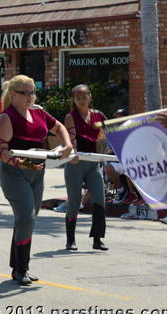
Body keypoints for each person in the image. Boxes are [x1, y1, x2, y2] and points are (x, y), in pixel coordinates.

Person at [0, 75, 72, 285]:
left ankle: (17, 266)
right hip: (15, 173)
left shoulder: (38, 112)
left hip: (38, 173)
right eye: (25, 93)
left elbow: (59, 128)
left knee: (28, 218)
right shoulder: (6, 118)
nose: (30, 97)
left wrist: (67, 145)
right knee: (26, 217)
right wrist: (20, 163)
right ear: (13, 94)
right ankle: (21, 269)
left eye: (32, 92)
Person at [63, 84, 109, 252]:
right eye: (78, 98)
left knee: (100, 200)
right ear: (74, 100)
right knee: (74, 202)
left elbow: (112, 132)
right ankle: (70, 240)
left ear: (90, 97)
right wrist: (73, 153)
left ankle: (97, 239)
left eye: (84, 97)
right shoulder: (71, 117)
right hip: (75, 163)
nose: (82, 100)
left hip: (93, 163)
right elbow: (71, 140)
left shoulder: (98, 115)